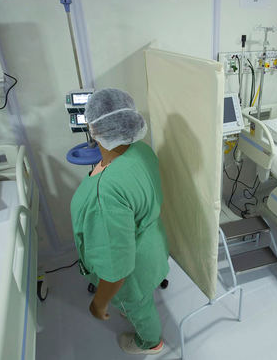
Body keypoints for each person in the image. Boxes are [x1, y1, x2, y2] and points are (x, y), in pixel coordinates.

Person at [70, 88, 169, 355]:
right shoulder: (142, 151)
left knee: (139, 307)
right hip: (154, 245)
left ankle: (151, 342)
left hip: (132, 274)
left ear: (93, 129)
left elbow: (116, 269)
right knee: (142, 299)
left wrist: (99, 305)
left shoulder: (107, 191)